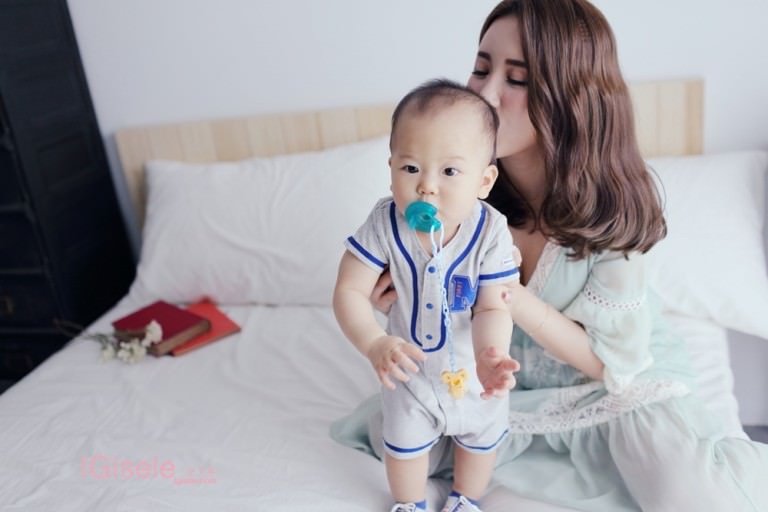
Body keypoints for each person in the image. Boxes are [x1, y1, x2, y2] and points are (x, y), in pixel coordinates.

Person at [331, 1, 768, 511]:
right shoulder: (456, 194)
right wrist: (395, 298)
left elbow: (607, 364)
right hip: (497, 383)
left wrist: (510, 298)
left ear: (568, 98)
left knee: (698, 494)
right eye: (480, 69)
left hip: (609, 388)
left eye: (516, 79)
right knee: (402, 438)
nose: (486, 94)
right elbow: (406, 289)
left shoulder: (611, 212)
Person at [333, 79, 523, 512]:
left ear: (484, 180)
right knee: (403, 444)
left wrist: (490, 355)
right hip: (409, 372)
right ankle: (409, 503)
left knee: (480, 438)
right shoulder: (385, 224)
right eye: (411, 168)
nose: (427, 187)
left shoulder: (490, 231)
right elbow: (349, 289)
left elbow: (493, 305)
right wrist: (374, 342)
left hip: (473, 371)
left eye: (449, 172)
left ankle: (465, 498)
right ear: (391, 168)